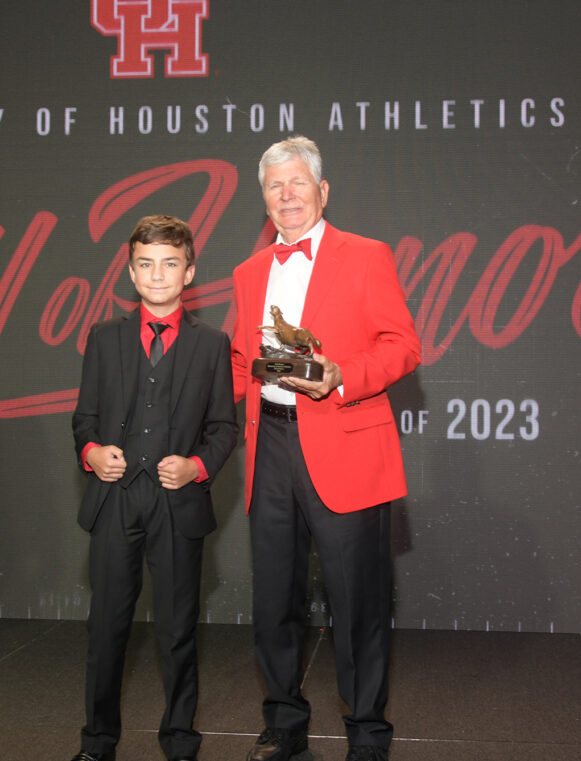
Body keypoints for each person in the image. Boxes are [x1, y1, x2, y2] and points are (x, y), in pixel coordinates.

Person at [230, 137, 421, 761]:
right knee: (274, 601)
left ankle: (367, 734)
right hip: (269, 445)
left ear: (323, 191)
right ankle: (284, 725)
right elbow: (240, 362)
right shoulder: (247, 273)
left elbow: (402, 345)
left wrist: (343, 376)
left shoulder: (367, 255)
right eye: (275, 186)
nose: (287, 195)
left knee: (357, 601)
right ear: (264, 199)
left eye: (298, 183)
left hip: (344, 441)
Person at [70, 214, 238, 761]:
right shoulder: (104, 338)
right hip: (115, 499)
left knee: (177, 630)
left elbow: (224, 428)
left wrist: (196, 467)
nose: (157, 274)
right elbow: (84, 419)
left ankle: (180, 741)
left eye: (170, 264)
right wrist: (92, 454)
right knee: (106, 628)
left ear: (189, 272)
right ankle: (97, 743)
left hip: (176, 502)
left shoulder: (212, 345)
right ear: (130, 271)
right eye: (146, 264)